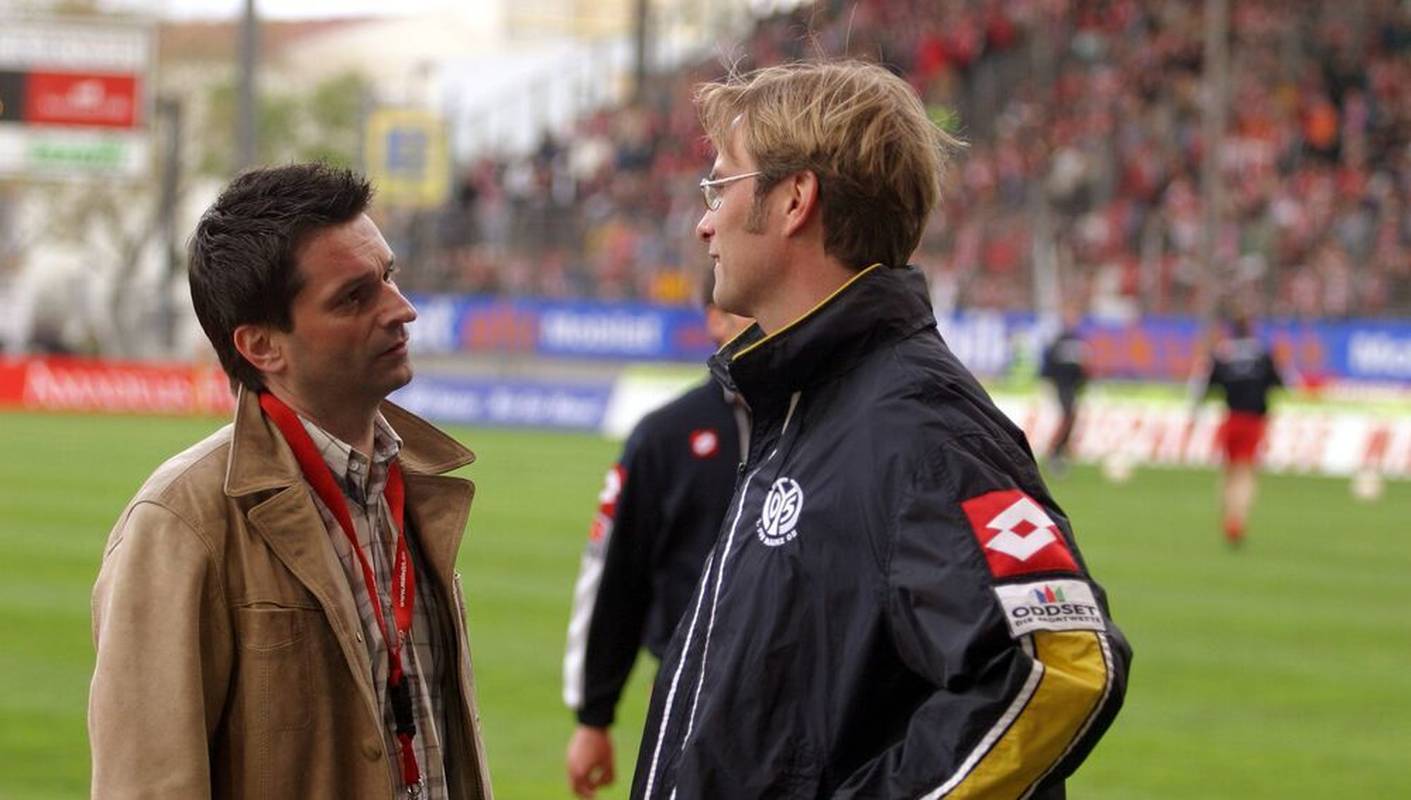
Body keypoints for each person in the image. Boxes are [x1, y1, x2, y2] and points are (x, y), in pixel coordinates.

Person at [631, 61, 1131, 800]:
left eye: (720, 184)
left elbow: (1060, 661)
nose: (704, 221)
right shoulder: (803, 403)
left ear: (795, 198)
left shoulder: (919, 422)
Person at [88, 164, 493, 799]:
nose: (402, 310)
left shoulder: (412, 485)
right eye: (353, 297)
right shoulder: (181, 522)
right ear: (261, 346)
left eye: (388, 277)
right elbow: (147, 784)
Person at [563, 272, 751, 799]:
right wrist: (594, 716)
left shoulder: (823, 425)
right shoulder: (665, 435)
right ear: (714, 319)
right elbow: (615, 573)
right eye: (744, 308)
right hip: (689, 697)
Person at [1192, 314, 1285, 546]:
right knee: (1246, 473)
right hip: (1254, 421)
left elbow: (1205, 386)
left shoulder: (1223, 354)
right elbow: (1281, 383)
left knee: (1228, 471)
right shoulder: (1263, 354)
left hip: (1231, 418)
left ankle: (1227, 517)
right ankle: (1238, 520)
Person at [1039, 306, 1090, 475]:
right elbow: (1049, 364)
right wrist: (1049, 381)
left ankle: (1059, 452)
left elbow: (1082, 368)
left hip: (1072, 387)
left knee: (1071, 417)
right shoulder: (1059, 341)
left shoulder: (1079, 341)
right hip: (1061, 386)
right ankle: (1054, 451)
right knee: (1068, 416)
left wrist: (1083, 384)